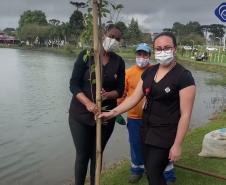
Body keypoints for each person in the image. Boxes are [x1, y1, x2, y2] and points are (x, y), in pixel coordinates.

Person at [99, 32, 196, 185]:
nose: (162, 51)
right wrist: (112, 113)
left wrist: (177, 145)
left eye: (167, 47)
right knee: (151, 172)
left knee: (154, 171)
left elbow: (186, 115)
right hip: (146, 129)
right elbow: (133, 98)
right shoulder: (150, 72)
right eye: (158, 48)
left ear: (175, 49)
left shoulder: (184, 77)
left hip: (166, 133)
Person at [69, 24, 125, 185]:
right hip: (80, 115)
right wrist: (87, 103)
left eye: (117, 38)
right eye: (111, 36)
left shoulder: (118, 61)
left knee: (97, 154)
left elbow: (120, 90)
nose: (113, 40)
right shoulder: (87, 55)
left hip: (106, 116)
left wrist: (108, 94)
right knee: (82, 155)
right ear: (102, 34)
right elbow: (73, 84)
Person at [118, 43, 176, 184]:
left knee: (160, 146)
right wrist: (118, 109)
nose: (142, 57)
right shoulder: (128, 73)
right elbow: (122, 94)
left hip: (154, 119)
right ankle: (137, 170)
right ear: (136, 55)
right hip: (134, 117)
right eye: (139, 54)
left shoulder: (156, 71)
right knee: (136, 144)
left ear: (150, 56)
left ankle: (168, 174)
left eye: (145, 55)